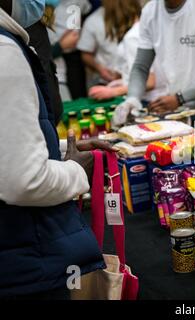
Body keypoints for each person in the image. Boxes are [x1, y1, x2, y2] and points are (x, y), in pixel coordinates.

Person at [0, 0, 108, 299]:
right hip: (25, 263)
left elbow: (7, 147)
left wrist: (55, 149)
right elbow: (25, 182)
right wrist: (75, 171)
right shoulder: (5, 50)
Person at [113, 0, 195, 125]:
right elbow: (141, 67)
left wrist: (180, 98)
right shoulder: (150, 11)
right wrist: (132, 99)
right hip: (180, 117)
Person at [87, 0, 158, 101]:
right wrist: (121, 82)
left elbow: (148, 82)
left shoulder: (133, 37)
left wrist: (111, 92)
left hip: (147, 101)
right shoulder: (143, 28)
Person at [49, 0, 92, 100]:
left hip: (75, 57)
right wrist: (60, 46)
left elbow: (87, 11)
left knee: (80, 99)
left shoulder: (80, 2)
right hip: (54, 61)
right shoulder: (36, 7)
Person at [77, 2, 120, 85]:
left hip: (138, 79)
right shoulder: (93, 20)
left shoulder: (139, 16)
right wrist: (100, 69)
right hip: (106, 82)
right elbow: (86, 53)